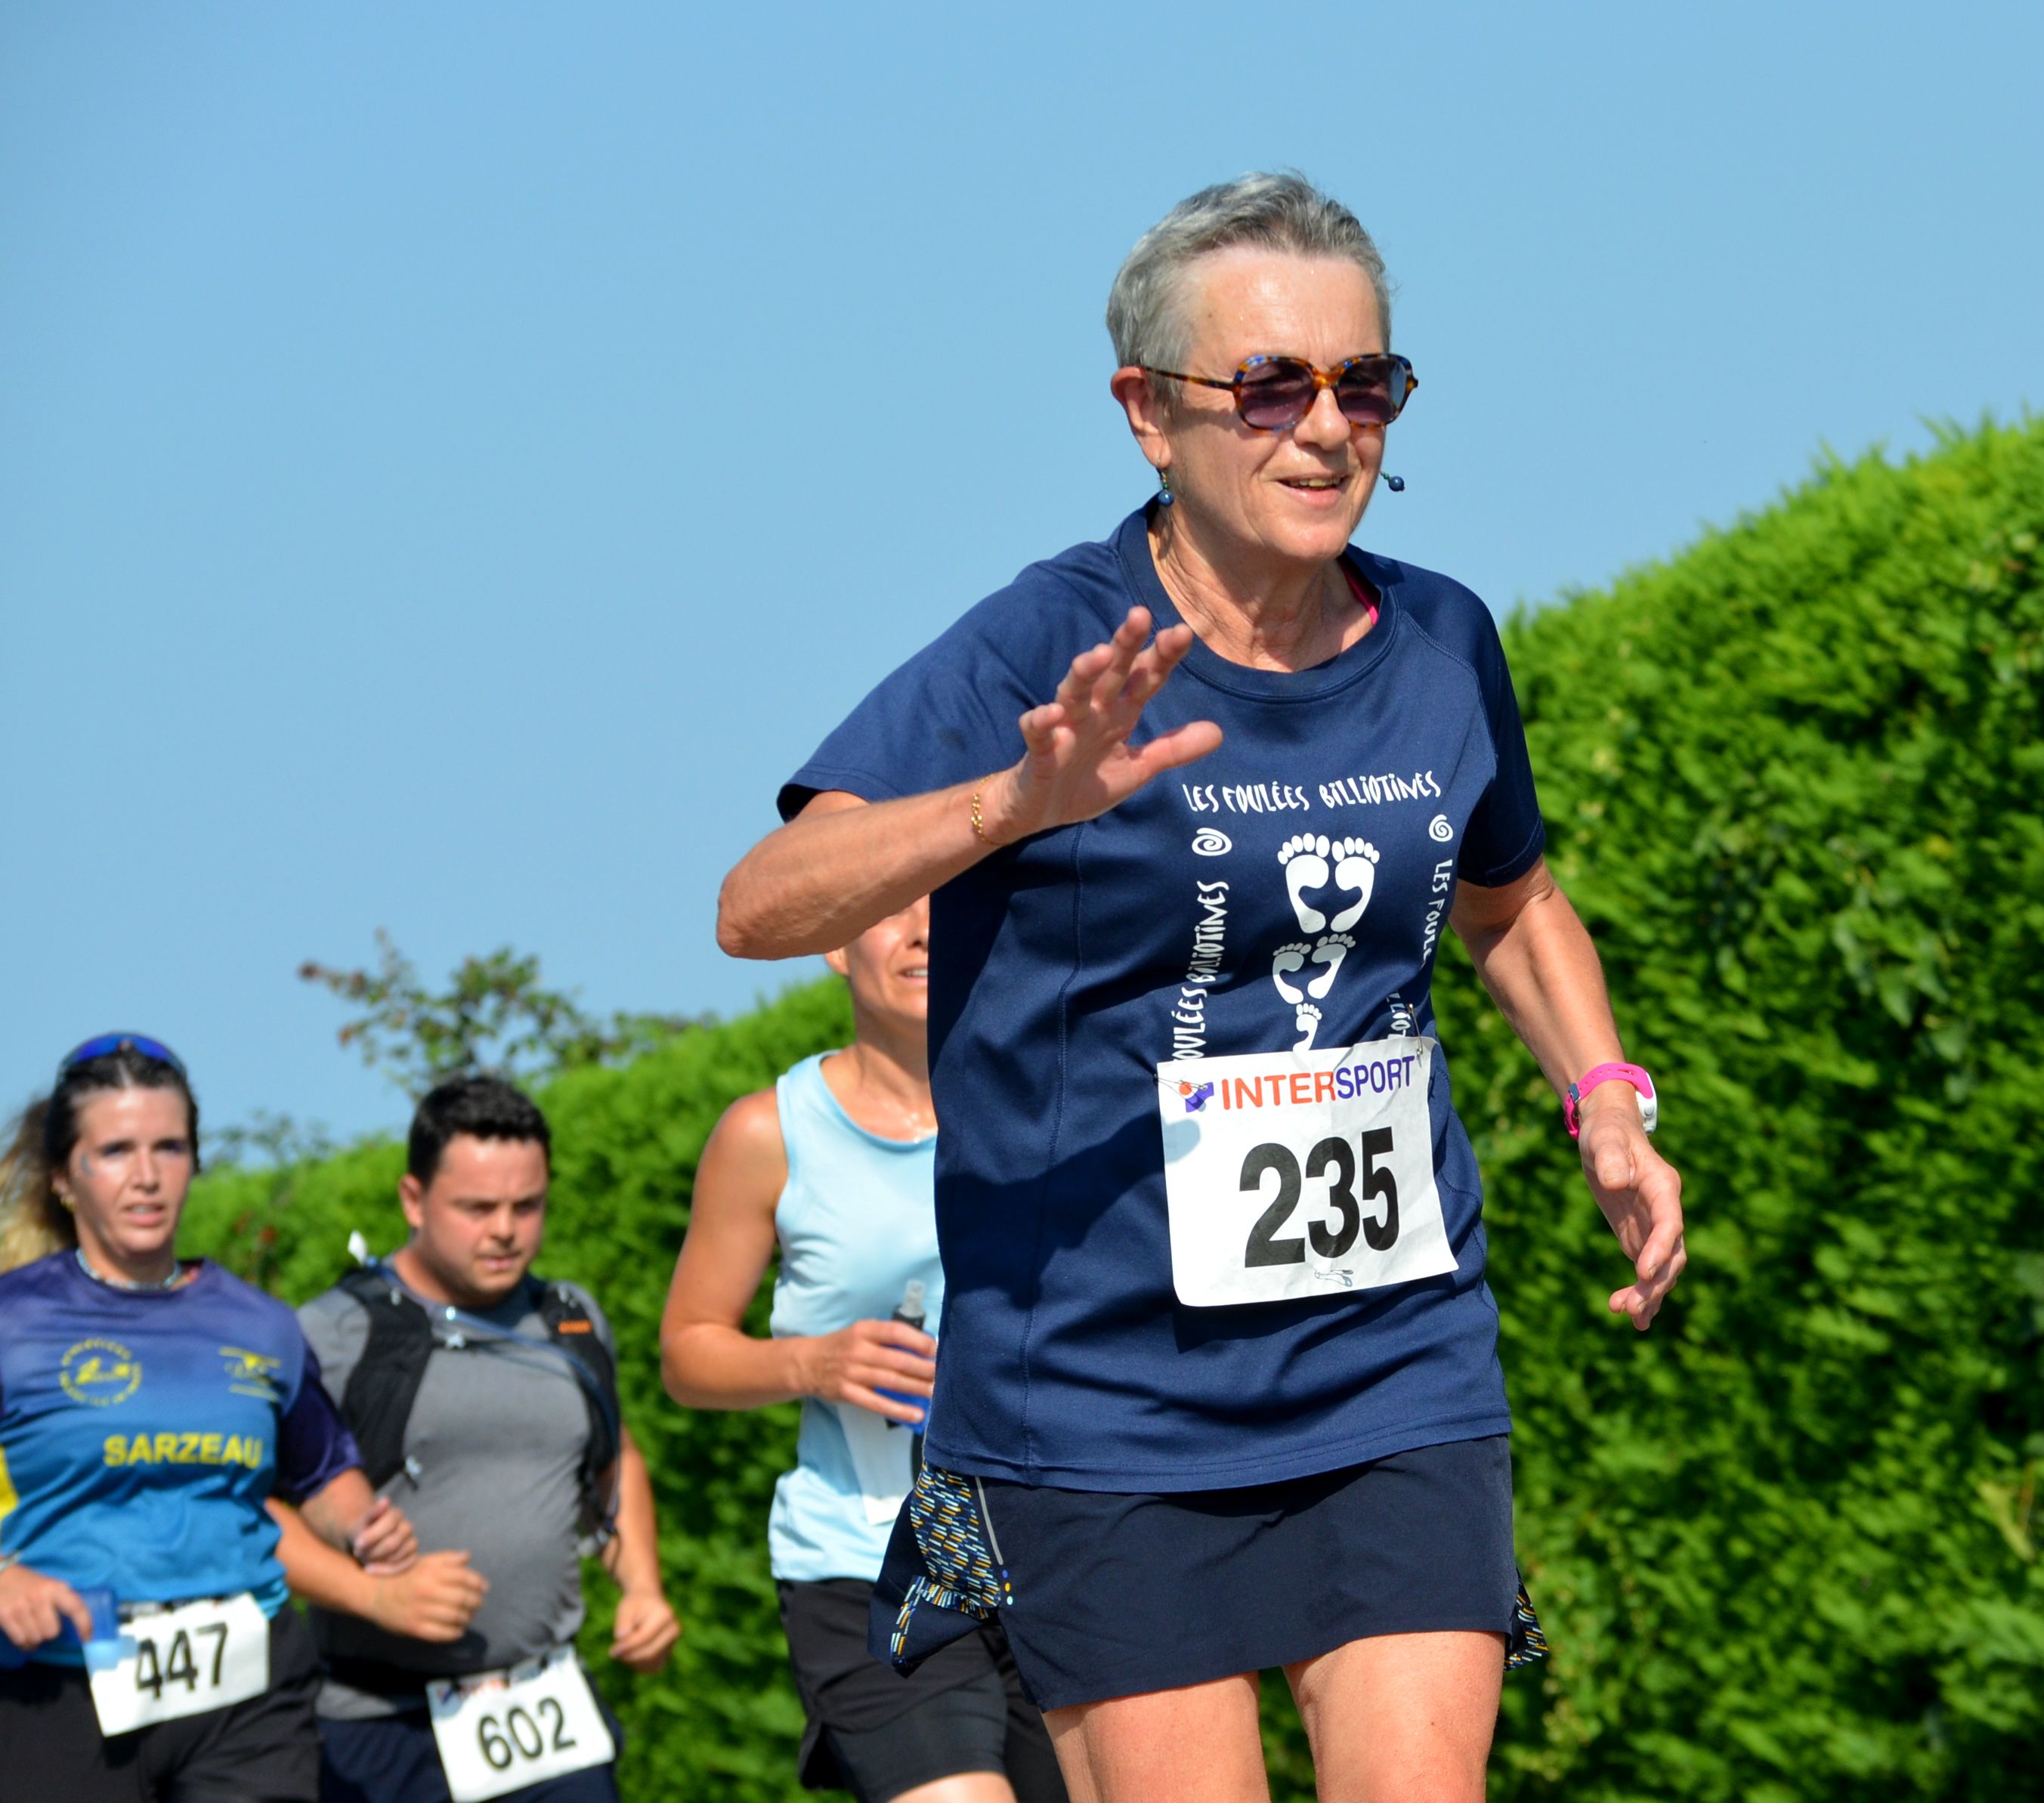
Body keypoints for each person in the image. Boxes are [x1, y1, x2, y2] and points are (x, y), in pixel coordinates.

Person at [713, 171, 1686, 1803]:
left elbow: (1511, 902)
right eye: (1272, 386)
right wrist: (1013, 804)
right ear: (1148, 413)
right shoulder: (1049, 643)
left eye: (1366, 383)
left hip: (1391, 1356)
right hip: (1105, 1395)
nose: (1329, 428)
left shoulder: (1443, 642)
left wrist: (1605, 1100)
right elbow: (759, 904)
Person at [661, 900, 1063, 1803]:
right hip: (869, 1560)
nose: (923, 929)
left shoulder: (1052, 1102)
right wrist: (811, 1363)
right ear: (838, 947)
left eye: (945, 902)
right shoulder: (771, 1134)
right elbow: (686, 1352)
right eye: (888, 909)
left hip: (1056, 1549)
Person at [0, 1033, 418, 1803]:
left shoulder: (262, 1325)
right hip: (51, 1693)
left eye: (169, 1148)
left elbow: (321, 1470)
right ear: (63, 1177)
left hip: (246, 1696)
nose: (146, 1176)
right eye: (115, 1151)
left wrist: (363, 1525)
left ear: (195, 1161)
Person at [280, 1073, 679, 1803]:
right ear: (413, 1200)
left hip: (549, 1719)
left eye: (528, 1206)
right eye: (477, 1208)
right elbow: (256, 1509)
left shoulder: (571, 1320)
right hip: (382, 1726)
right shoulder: (334, 1333)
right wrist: (373, 1597)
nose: (505, 1230)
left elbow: (613, 1459)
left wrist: (643, 1588)